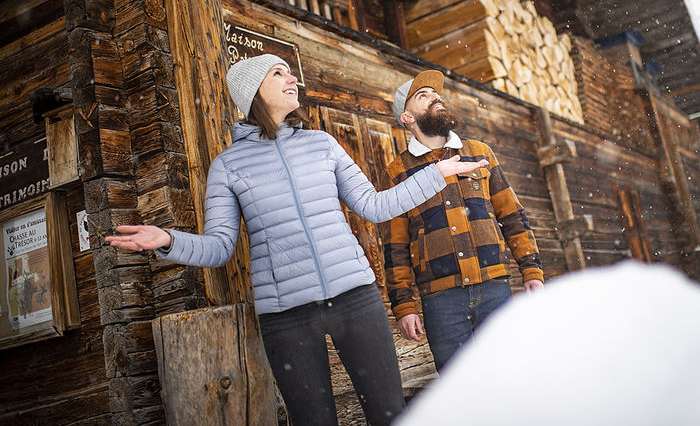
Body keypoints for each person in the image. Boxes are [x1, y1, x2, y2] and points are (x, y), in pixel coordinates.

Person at [105, 54, 487, 426]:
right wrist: (167, 239)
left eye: (290, 72)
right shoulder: (229, 165)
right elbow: (219, 246)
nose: (293, 80)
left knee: (389, 414)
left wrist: (438, 172)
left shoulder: (321, 144)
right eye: (278, 73)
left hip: (356, 299)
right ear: (254, 92)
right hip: (286, 318)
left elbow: (374, 205)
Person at [383, 69, 544, 372]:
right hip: (441, 302)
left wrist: (531, 269)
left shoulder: (479, 152)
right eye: (423, 95)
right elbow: (395, 247)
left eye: (436, 93)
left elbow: (512, 215)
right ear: (407, 117)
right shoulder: (398, 172)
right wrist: (403, 305)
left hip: (495, 289)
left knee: (513, 377)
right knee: (461, 391)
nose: (436, 97)